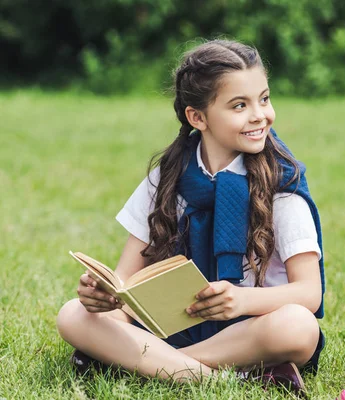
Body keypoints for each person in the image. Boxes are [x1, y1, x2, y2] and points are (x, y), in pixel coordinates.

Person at [56, 39, 325, 394]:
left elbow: (309, 293)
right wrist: (104, 296)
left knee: (298, 326)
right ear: (197, 117)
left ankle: (150, 363)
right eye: (239, 105)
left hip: (251, 327)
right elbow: (126, 279)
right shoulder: (167, 178)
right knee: (73, 315)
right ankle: (214, 375)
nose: (260, 115)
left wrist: (240, 300)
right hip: (168, 324)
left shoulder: (281, 184)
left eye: (264, 98)